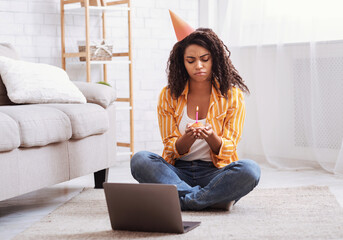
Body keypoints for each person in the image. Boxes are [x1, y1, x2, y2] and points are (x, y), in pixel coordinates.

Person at [130, 11, 260, 211]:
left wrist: (211, 137)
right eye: (191, 61)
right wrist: (188, 138)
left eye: (204, 59)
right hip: (177, 172)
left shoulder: (232, 95)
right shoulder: (168, 95)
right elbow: (171, 146)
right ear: (182, 63)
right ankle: (210, 199)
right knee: (140, 160)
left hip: (215, 172)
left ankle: (183, 199)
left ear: (214, 59)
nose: (198, 66)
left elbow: (229, 146)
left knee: (250, 170)